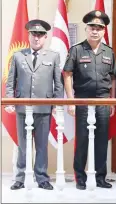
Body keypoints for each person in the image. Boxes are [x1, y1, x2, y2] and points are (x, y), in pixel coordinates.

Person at [5, 19, 64, 190]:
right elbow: (11, 81)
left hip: (44, 107)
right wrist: (9, 100)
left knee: (41, 145)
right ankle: (20, 178)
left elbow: (57, 83)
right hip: (23, 107)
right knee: (23, 144)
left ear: (45, 37)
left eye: (40, 35)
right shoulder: (18, 55)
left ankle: (42, 178)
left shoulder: (53, 56)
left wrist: (57, 105)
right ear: (29, 36)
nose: (36, 38)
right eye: (33, 34)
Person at [63, 10, 116, 190]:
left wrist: (112, 100)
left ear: (103, 31)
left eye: (99, 28)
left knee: (102, 140)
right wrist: (71, 100)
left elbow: (113, 78)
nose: (95, 31)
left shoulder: (109, 52)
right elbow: (68, 74)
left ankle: (101, 177)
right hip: (82, 101)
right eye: (92, 27)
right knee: (83, 139)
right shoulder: (77, 50)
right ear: (86, 29)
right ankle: (80, 177)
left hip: (103, 100)